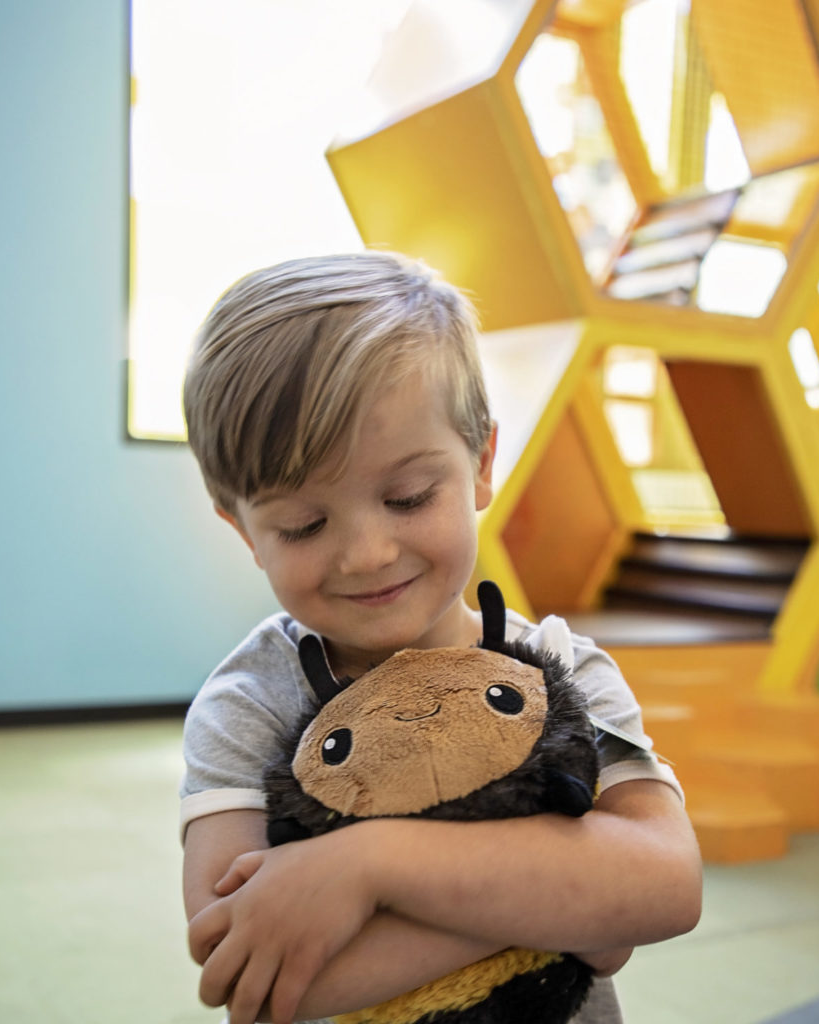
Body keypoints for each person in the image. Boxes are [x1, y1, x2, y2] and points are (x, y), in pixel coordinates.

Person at [180, 251, 702, 1024]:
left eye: (408, 496)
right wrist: (566, 905)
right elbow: (256, 980)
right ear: (245, 531)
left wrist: (369, 869)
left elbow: (662, 884)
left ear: (481, 463)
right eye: (304, 524)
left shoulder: (557, 666)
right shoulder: (250, 705)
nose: (367, 553)